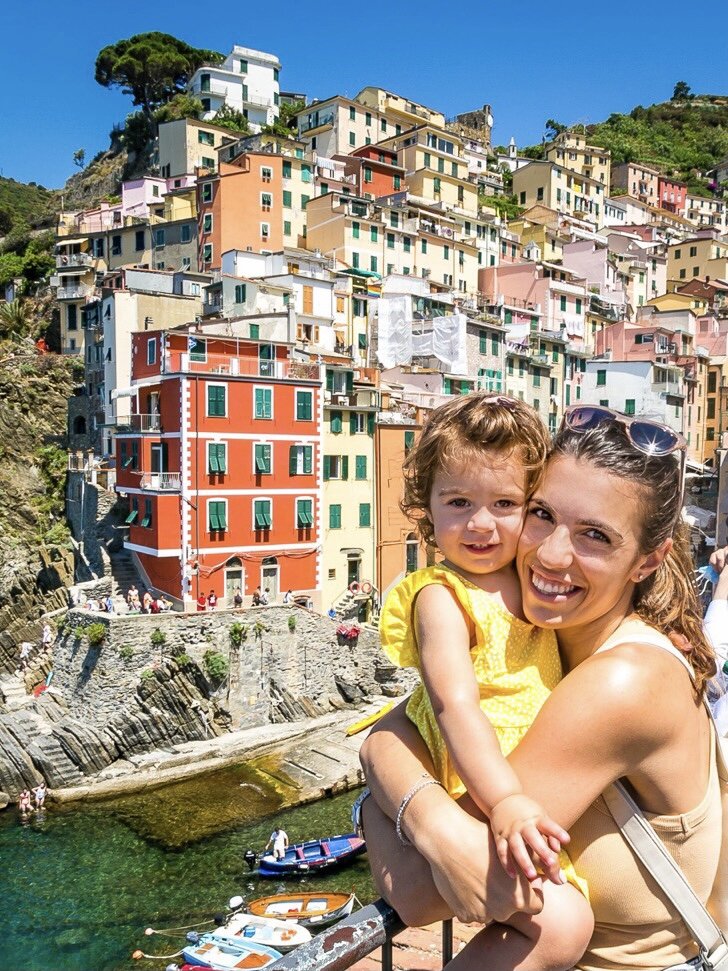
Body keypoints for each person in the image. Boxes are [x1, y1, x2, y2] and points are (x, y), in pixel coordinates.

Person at [360, 404, 718, 971]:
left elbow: (415, 892)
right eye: (542, 514)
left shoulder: (620, 684)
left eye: (594, 536)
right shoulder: (538, 652)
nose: (550, 553)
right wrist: (394, 757)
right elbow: (428, 713)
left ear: (648, 561)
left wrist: (382, 798)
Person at [376, 393, 591, 970]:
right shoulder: (440, 598)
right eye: (458, 502)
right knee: (563, 924)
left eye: (504, 503)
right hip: (475, 789)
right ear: (427, 508)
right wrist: (508, 802)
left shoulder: (532, 577)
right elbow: (454, 707)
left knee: (561, 924)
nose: (479, 524)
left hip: (507, 789)